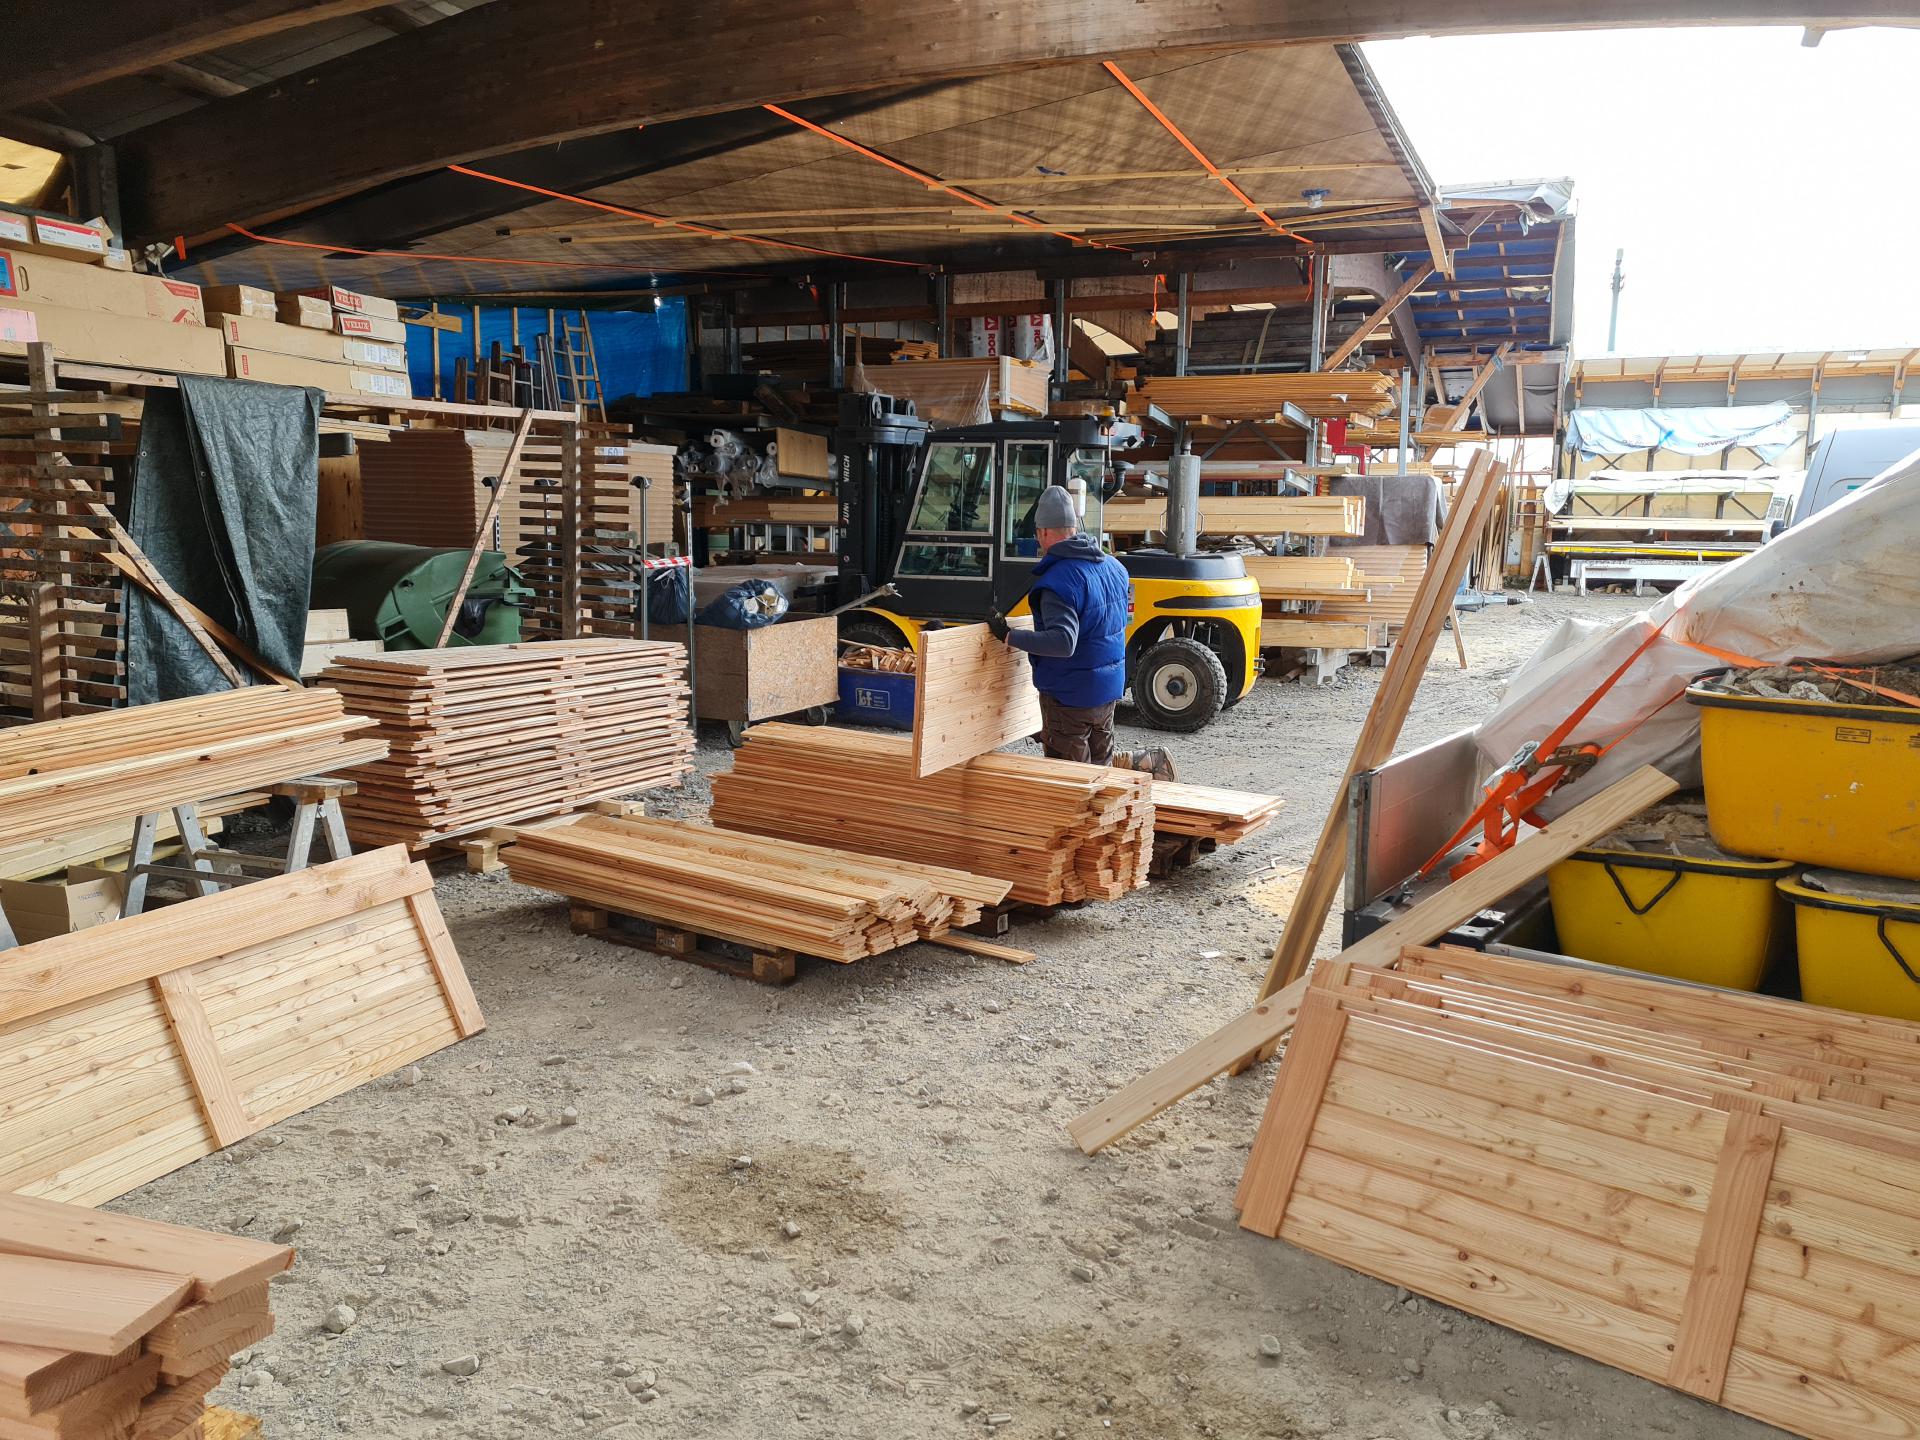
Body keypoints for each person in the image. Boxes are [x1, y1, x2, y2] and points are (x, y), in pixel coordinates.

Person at [988, 485, 1176, 779]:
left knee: (1071, 781)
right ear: (1074, 527)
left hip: (1070, 697)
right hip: (1107, 690)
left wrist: (1009, 636)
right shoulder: (1114, 567)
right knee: (1101, 771)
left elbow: (1063, 642)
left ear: (1043, 532)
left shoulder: (1057, 581)